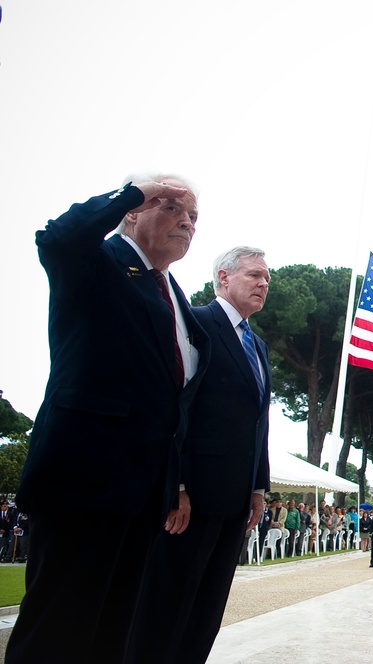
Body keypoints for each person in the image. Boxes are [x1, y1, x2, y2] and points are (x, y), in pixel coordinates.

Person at [5, 175, 209, 663]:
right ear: (133, 212)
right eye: (170, 206)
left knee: (111, 636)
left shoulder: (175, 296)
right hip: (85, 482)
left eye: (194, 216)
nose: (185, 220)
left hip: (143, 496)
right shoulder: (99, 263)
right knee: (56, 634)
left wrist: (176, 482)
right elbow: (57, 238)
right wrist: (132, 191)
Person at [126, 247, 273, 662]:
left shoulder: (257, 346)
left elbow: (258, 423)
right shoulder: (195, 323)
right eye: (254, 275)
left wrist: (259, 486)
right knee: (167, 607)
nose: (264, 283)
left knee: (206, 609)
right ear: (223, 278)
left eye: (267, 278)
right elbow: (178, 406)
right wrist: (179, 484)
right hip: (193, 501)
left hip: (236, 501)